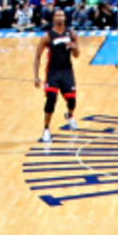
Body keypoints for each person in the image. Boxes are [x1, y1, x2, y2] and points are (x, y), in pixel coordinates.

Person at [33, 9, 80, 143]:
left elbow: (77, 55)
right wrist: (36, 77)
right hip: (52, 71)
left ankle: (69, 115)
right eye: (57, 15)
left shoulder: (71, 34)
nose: (60, 17)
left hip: (66, 71)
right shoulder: (48, 36)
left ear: (65, 18)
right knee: (51, 99)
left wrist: (74, 47)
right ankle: (46, 129)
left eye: (62, 15)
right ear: (53, 18)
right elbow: (37, 56)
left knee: (72, 101)